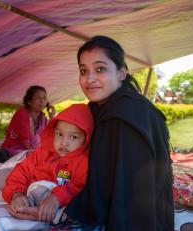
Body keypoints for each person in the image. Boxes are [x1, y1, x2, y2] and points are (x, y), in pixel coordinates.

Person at [65, 36, 174, 230]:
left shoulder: (122, 117)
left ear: (122, 73)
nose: (89, 79)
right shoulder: (114, 107)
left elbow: (120, 193)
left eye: (100, 69)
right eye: (84, 71)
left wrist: (61, 203)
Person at [2, 104, 94, 223]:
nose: (64, 143)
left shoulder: (83, 161)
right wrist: (16, 194)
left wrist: (57, 197)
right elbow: (21, 172)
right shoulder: (42, 153)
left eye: (73, 137)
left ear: (86, 139)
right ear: (53, 132)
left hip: (58, 204)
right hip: (31, 194)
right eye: (59, 134)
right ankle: (30, 210)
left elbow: (80, 187)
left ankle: (42, 214)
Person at [1, 85, 55, 155]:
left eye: (44, 98)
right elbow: (29, 141)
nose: (42, 100)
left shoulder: (43, 118)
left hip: (33, 151)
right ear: (29, 101)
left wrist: (51, 117)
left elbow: (51, 137)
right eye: (38, 98)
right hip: (14, 150)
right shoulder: (22, 114)